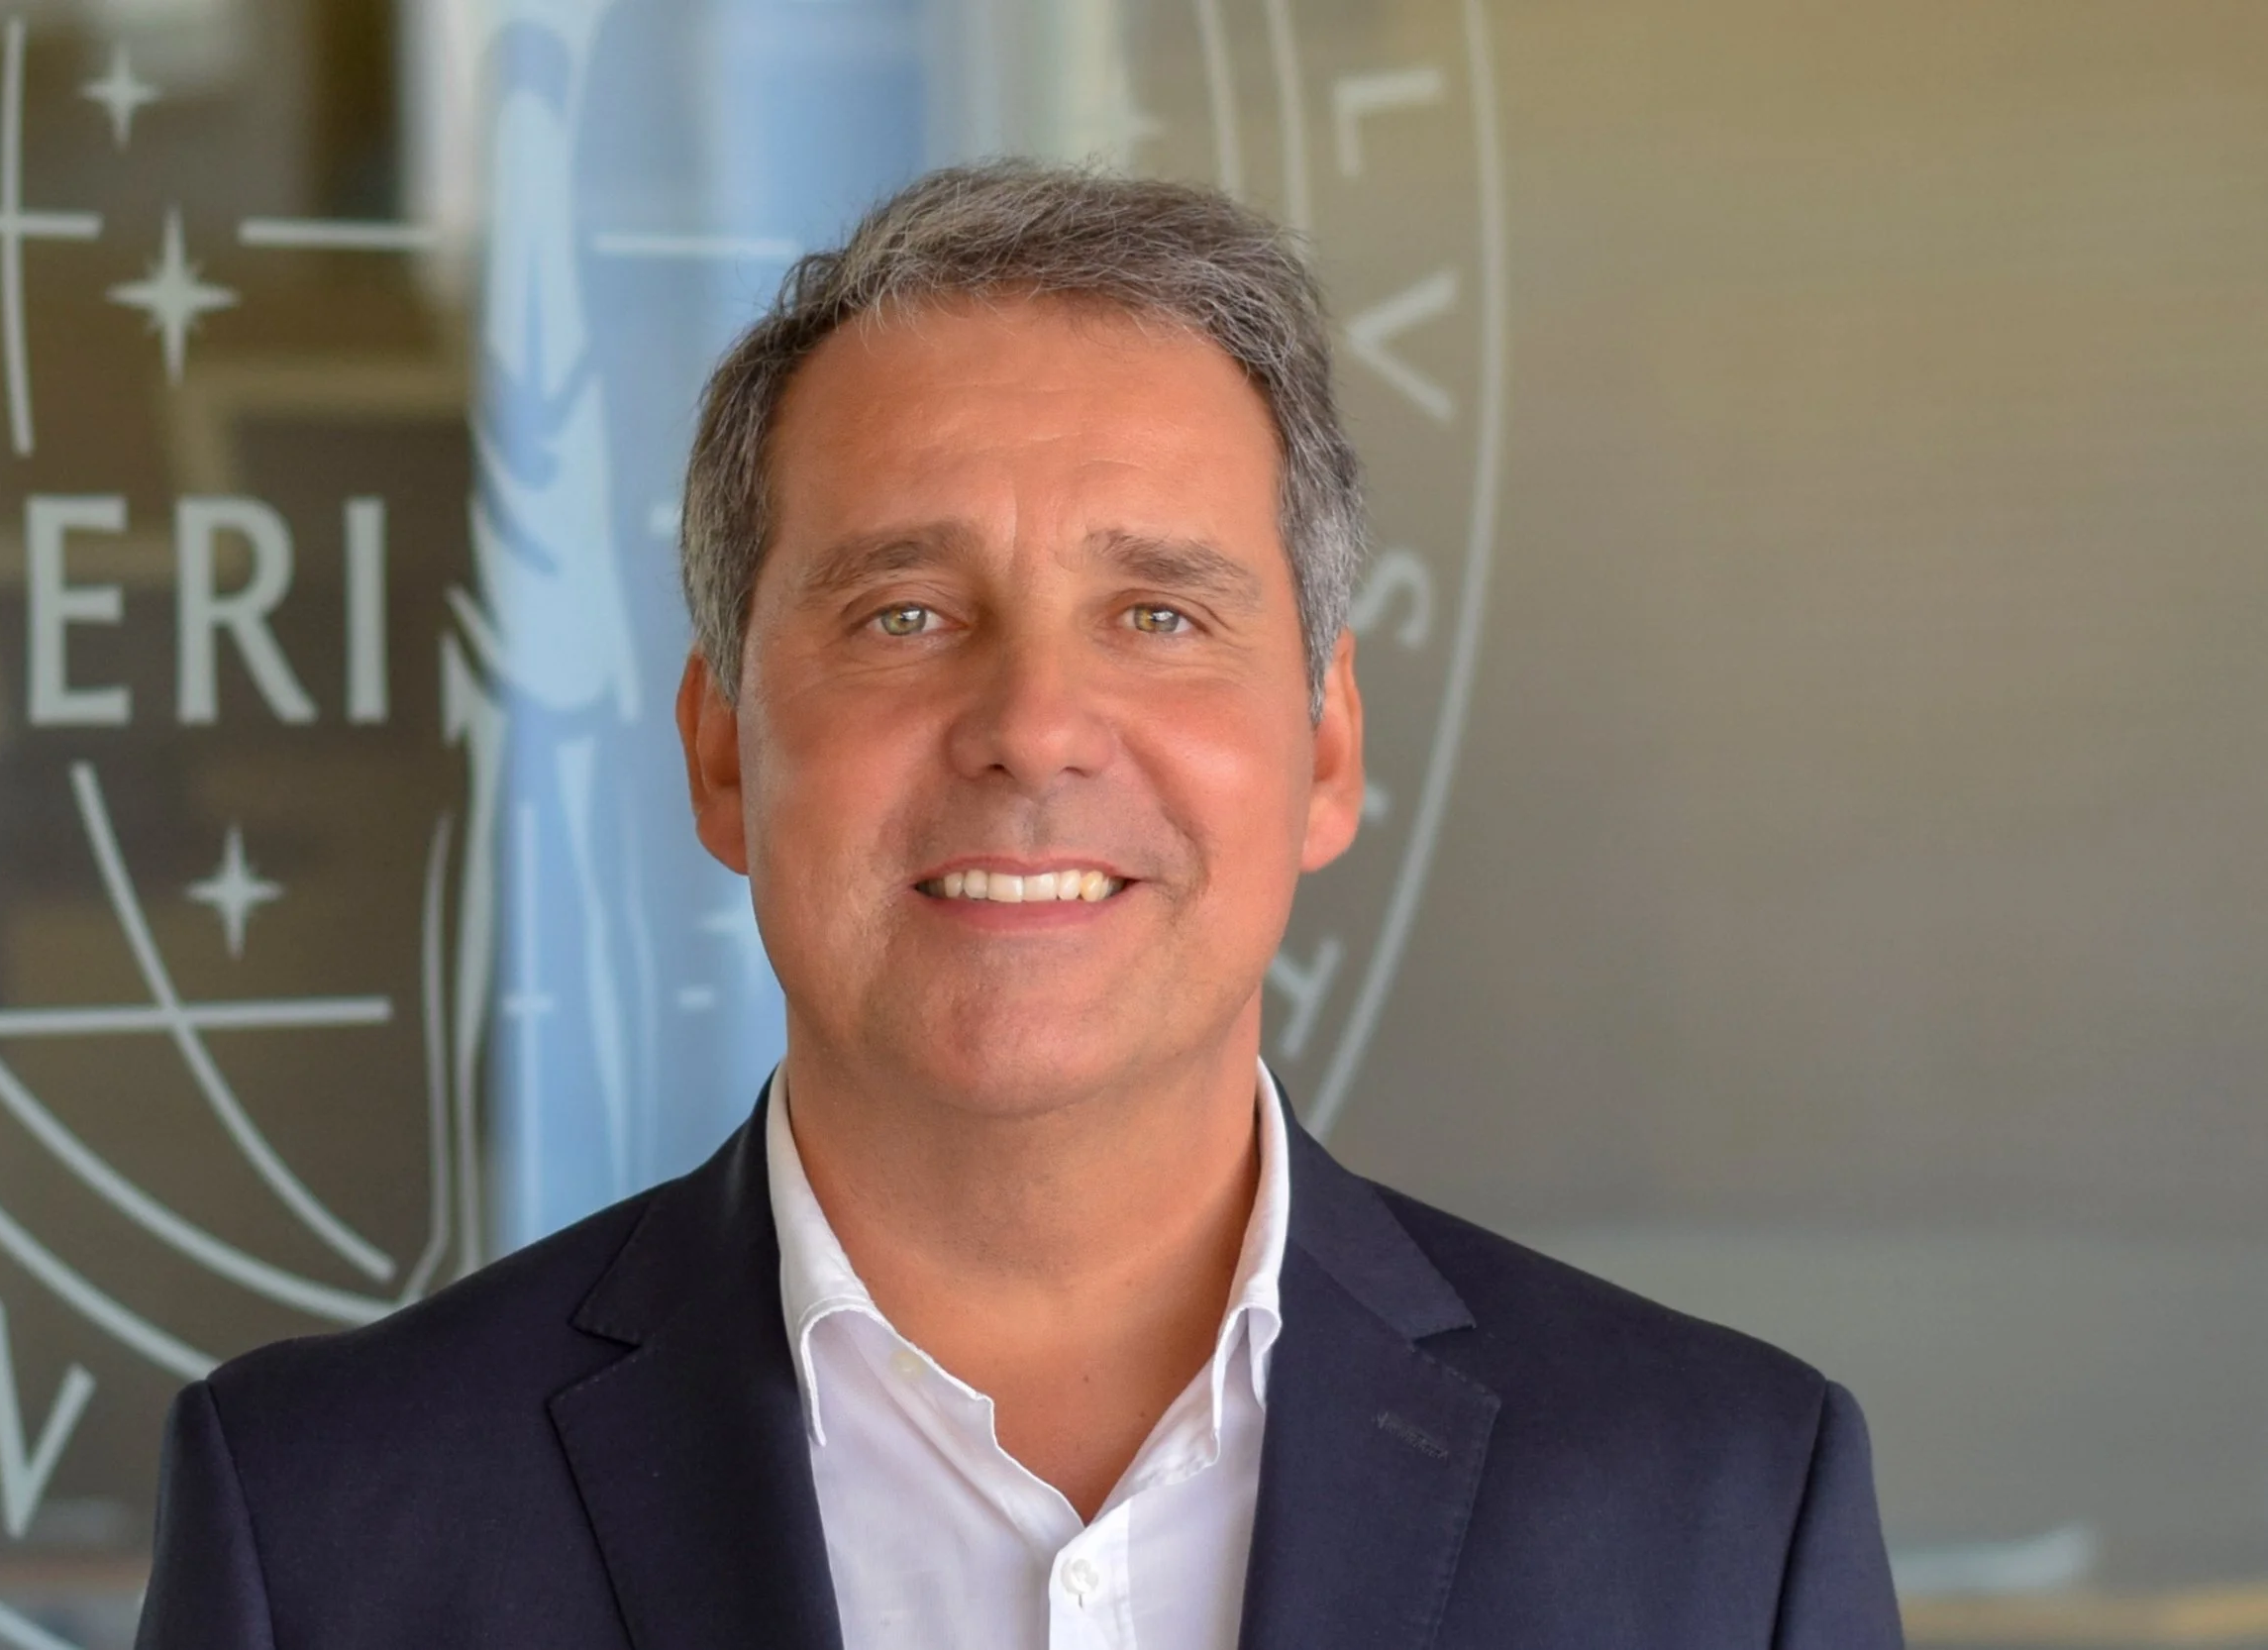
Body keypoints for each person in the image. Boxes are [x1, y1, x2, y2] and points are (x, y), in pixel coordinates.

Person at [135, 162, 1903, 1650]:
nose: (1034, 726)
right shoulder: (325, 1524)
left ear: (1325, 748)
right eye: (903, 613)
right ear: (723, 752)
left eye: (1159, 614)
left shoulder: (1724, 1512)